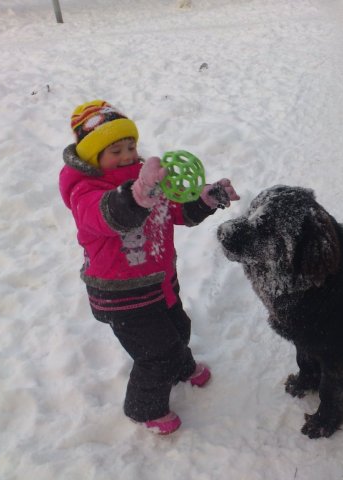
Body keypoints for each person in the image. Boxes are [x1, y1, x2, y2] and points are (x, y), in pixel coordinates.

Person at [59, 100, 240, 435]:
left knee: (177, 328)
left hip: (159, 281)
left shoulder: (148, 179)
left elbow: (174, 211)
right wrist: (137, 193)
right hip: (121, 294)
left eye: (130, 146)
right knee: (155, 352)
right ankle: (144, 408)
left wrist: (204, 200)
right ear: (92, 156)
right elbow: (109, 215)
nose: (127, 155)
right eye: (115, 151)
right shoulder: (87, 192)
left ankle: (181, 366)